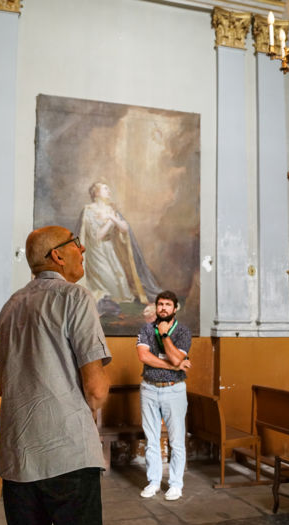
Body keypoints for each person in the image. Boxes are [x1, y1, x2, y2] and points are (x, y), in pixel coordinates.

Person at [0, 225, 111, 525]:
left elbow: (2, 385)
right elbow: (96, 389)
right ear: (57, 255)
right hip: (68, 453)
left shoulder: (11, 305)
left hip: (19, 456)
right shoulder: (76, 297)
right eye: (76, 243)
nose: (83, 249)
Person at [137, 290, 192, 501]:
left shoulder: (183, 332)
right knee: (151, 439)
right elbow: (143, 356)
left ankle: (176, 484)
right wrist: (174, 365)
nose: (163, 308)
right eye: (160, 304)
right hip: (149, 388)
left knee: (176, 440)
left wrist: (164, 335)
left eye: (168, 305)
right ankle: (153, 482)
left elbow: (178, 356)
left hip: (174, 389)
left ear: (175, 308)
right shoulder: (145, 329)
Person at [76, 181, 162, 311]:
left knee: (122, 288)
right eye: (105, 188)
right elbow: (96, 237)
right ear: (96, 193)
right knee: (110, 286)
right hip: (96, 251)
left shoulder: (110, 210)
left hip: (109, 249)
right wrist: (111, 221)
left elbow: (124, 228)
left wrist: (111, 217)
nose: (109, 191)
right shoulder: (89, 210)